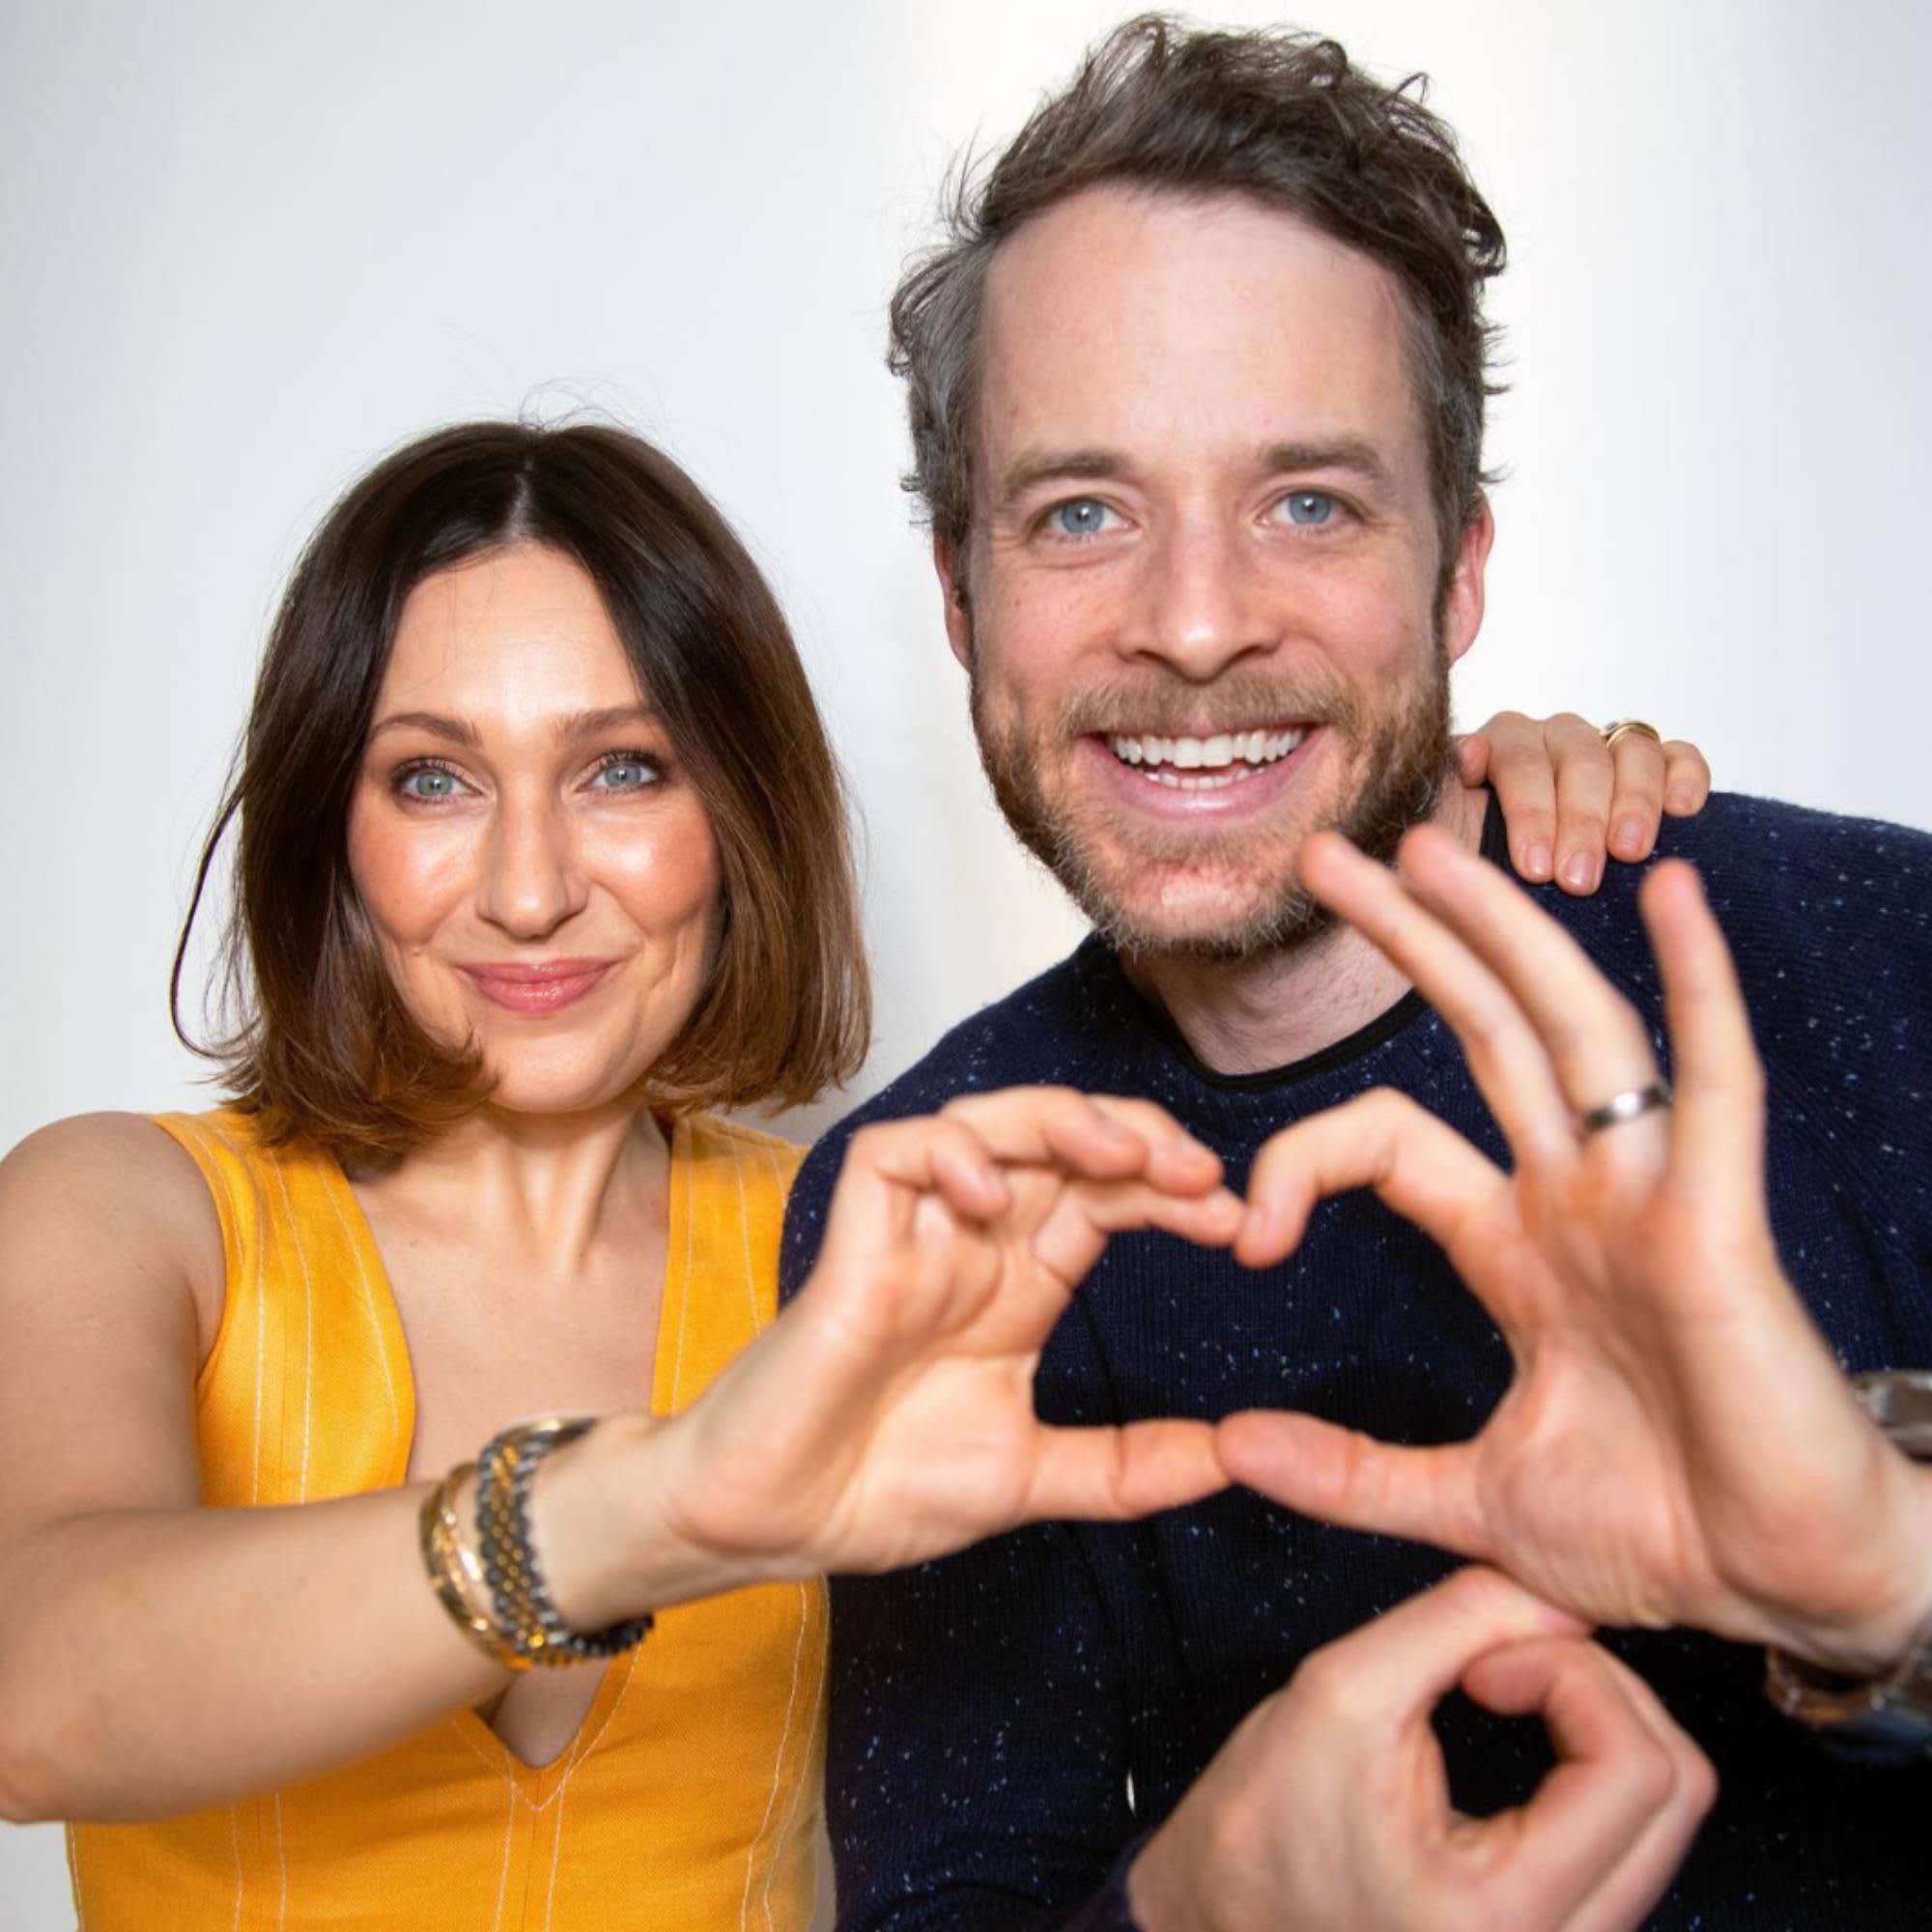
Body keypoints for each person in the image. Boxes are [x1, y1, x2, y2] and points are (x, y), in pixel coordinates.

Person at [0, 417, 1660, 1931]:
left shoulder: (860, 1241)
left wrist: (1460, 824)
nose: (528, 888)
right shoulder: (126, 1214)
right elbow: (32, 1692)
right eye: (432, 778)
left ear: (738, 811)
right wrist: (652, 1508)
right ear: (331, 829)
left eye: (622, 769)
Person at [780, 16, 1932, 1930]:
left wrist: (1884, 1574)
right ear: (963, 600)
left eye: (1308, 500)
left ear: (1456, 570)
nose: (1196, 624)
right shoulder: (933, 1199)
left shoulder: (1878, 953)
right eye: (1083, 512)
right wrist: (1198, 1905)